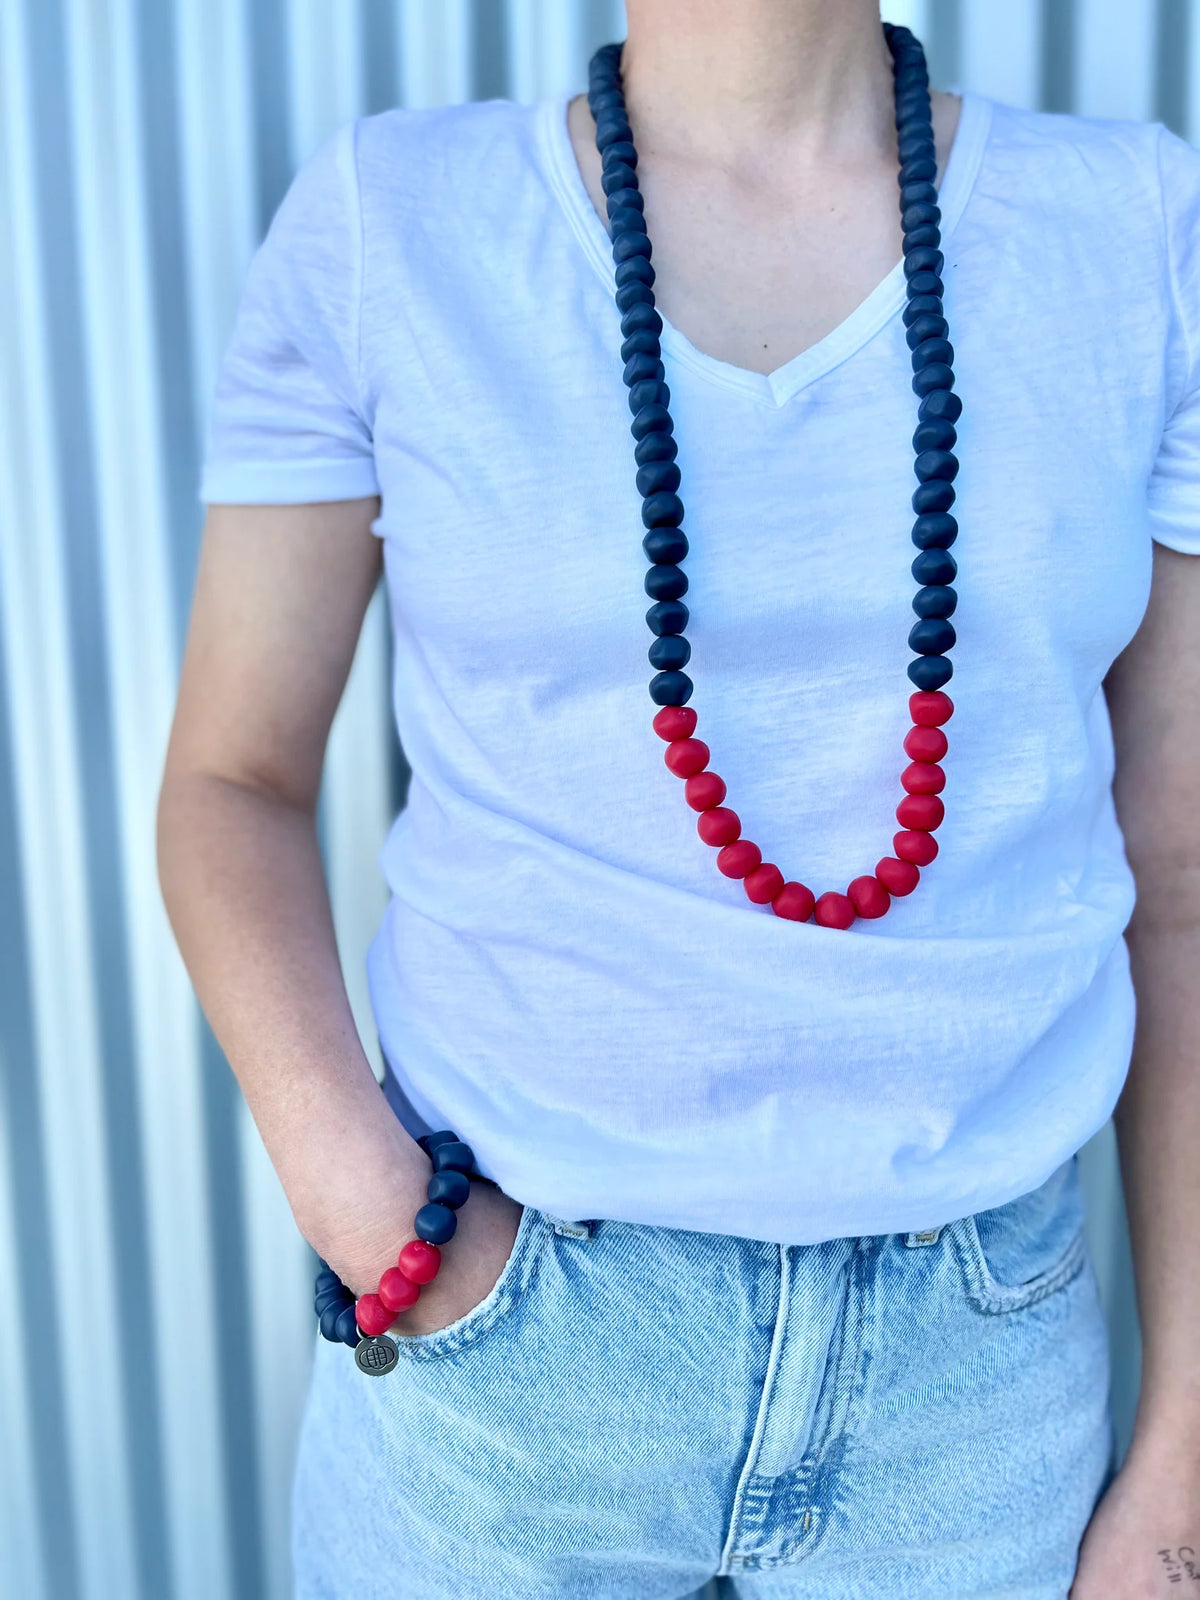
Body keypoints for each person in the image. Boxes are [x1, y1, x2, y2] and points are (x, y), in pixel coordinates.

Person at [156, 2, 1200, 1596]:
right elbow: (231, 780)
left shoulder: (1137, 236)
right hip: (505, 1359)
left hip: (977, 1389)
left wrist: (1184, 1460)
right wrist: (380, 1223)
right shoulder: (395, 223)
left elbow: (1179, 867)